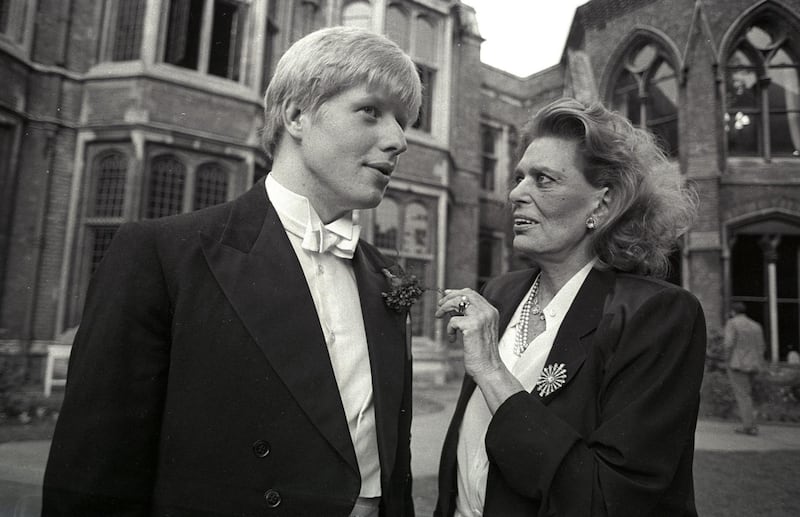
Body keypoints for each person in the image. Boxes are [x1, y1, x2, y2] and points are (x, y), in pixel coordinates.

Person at [43, 26, 421, 517]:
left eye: (403, 122)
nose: (398, 140)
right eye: (371, 111)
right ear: (297, 114)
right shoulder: (161, 254)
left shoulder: (383, 276)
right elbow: (93, 479)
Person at [433, 98, 706, 517]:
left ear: (603, 203)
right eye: (520, 177)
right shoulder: (501, 294)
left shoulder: (657, 316)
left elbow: (606, 498)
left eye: (543, 180)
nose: (515, 194)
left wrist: (491, 371)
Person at [723, 301, 766, 436]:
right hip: (754, 364)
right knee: (749, 395)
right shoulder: (756, 325)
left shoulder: (732, 323)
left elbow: (728, 344)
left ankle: (748, 426)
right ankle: (751, 424)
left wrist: (726, 360)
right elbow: (761, 346)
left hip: (737, 364)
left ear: (733, 312)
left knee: (743, 395)